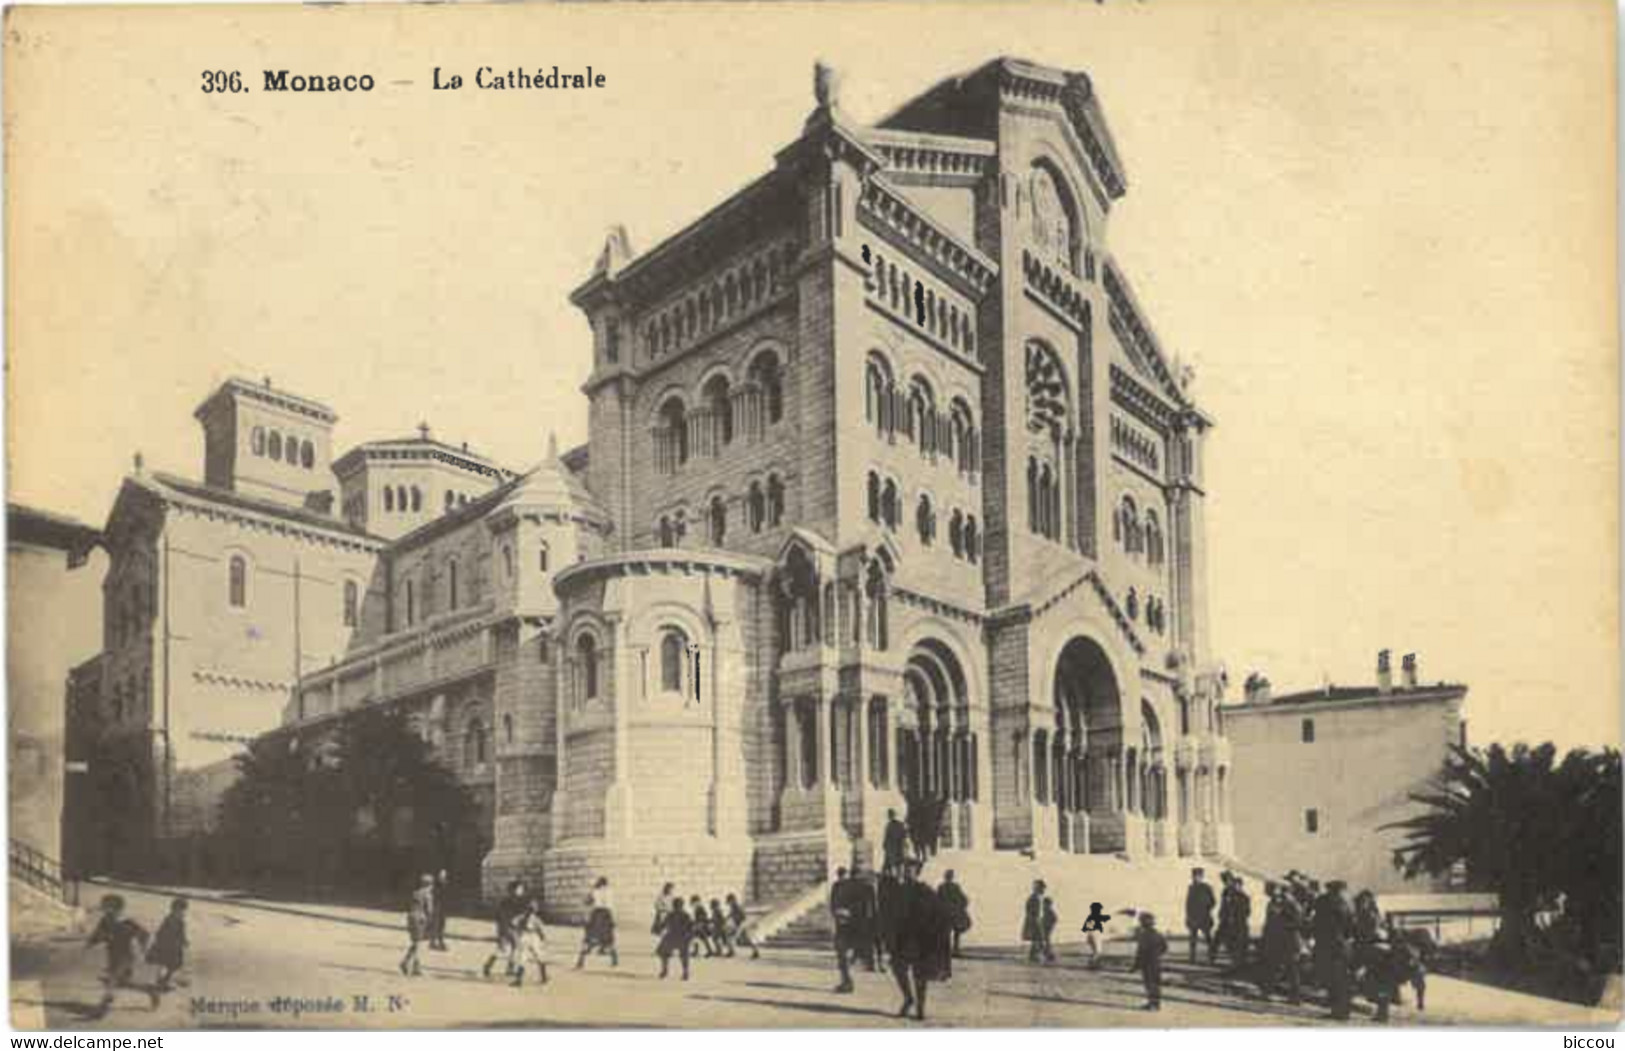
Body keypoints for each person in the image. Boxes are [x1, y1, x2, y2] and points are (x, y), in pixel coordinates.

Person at [887, 858, 947, 1021]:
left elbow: (938, 913)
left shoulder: (925, 890)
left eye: (911, 869)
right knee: (898, 969)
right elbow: (890, 915)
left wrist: (932, 932)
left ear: (917, 872)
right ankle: (908, 997)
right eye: (905, 869)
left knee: (920, 974)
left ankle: (920, 1007)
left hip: (921, 939)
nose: (907, 872)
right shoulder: (896, 890)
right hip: (902, 938)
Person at [87, 894, 152, 1014]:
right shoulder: (105, 920)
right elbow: (98, 934)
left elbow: (145, 934)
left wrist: (144, 949)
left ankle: (103, 1005)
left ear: (117, 908)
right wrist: (92, 942)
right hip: (113, 955)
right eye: (104, 906)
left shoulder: (128, 922)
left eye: (107, 906)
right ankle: (149, 991)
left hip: (126, 956)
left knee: (113, 979)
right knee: (123, 983)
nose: (104, 908)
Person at [1313, 880, 1356, 1021]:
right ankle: (1340, 1010)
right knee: (1339, 980)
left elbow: (1318, 923)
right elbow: (1350, 927)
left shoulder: (1330, 904)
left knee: (1337, 980)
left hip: (1332, 947)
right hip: (1340, 946)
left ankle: (1340, 1011)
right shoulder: (1346, 904)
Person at [831, 864, 876, 992]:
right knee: (846, 954)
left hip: (847, 925)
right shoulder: (867, 887)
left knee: (843, 954)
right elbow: (870, 910)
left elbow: (837, 906)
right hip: (858, 926)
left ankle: (847, 980)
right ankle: (847, 980)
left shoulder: (844, 886)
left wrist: (842, 914)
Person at [1259, 881, 1303, 1005]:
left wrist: (1282, 925)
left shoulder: (1293, 905)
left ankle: (1295, 997)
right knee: (1274, 967)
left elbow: (1299, 923)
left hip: (1289, 941)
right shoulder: (1275, 903)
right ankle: (1267, 993)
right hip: (1277, 941)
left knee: (1291, 970)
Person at [483, 880, 527, 979]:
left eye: (522, 889)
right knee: (514, 947)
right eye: (519, 889)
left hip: (509, 928)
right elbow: (503, 917)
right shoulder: (509, 902)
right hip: (508, 928)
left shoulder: (513, 901)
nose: (521, 891)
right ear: (513, 890)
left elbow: (520, 914)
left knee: (505, 949)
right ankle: (507, 968)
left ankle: (489, 965)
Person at [147, 898, 188, 994]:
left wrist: (184, 941)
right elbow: (161, 932)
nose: (181, 912)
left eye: (182, 910)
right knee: (165, 964)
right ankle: (161, 981)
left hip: (174, 947)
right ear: (173, 909)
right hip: (167, 946)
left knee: (172, 965)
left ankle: (164, 980)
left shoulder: (179, 921)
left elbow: (181, 933)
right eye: (179, 910)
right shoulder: (171, 920)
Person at [576, 876, 619, 969]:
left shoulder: (595, 892)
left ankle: (580, 961)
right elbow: (612, 907)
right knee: (608, 940)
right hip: (607, 916)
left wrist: (590, 892)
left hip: (597, 916)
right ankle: (614, 960)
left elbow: (586, 902)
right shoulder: (610, 892)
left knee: (589, 939)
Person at [1131, 912, 1169, 1011]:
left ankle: (1152, 1004)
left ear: (1143, 923)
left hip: (1147, 964)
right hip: (1157, 963)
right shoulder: (1159, 934)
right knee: (1156, 984)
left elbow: (1140, 952)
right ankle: (1156, 1004)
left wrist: (1135, 966)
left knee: (1149, 984)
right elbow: (1165, 948)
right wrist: (1157, 955)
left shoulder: (1143, 936)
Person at [401, 873, 435, 977]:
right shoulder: (428, 895)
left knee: (415, 943)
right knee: (418, 944)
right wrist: (431, 922)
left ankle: (415, 966)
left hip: (411, 916)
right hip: (420, 918)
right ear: (430, 885)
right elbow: (429, 910)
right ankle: (406, 963)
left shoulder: (415, 893)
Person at [511, 899, 549, 988]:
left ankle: (519, 980)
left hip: (524, 936)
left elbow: (513, 924)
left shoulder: (521, 917)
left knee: (522, 958)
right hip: (533, 937)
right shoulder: (536, 919)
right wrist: (543, 939)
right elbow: (540, 930)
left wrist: (516, 934)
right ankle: (544, 977)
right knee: (539, 956)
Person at [1184, 867, 1217, 964]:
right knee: (1193, 940)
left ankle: (1211, 957)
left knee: (1208, 938)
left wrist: (1206, 909)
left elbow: (1213, 901)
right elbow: (1188, 903)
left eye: (1197, 876)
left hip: (1204, 917)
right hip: (1193, 917)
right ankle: (1192, 958)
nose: (1195, 878)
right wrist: (1188, 916)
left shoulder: (1207, 887)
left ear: (1201, 877)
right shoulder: (1191, 887)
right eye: (1194, 876)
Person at [937, 870, 971, 962]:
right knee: (951, 933)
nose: (949, 877)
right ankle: (952, 951)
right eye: (949, 876)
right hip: (950, 914)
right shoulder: (946, 887)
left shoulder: (945, 887)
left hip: (950, 914)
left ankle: (953, 951)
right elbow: (964, 899)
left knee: (952, 933)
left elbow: (963, 899)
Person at [656, 897, 693, 980]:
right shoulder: (676, 915)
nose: (676, 907)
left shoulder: (684, 915)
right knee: (664, 953)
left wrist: (689, 937)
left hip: (678, 937)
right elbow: (663, 924)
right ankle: (666, 970)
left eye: (677, 905)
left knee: (682, 955)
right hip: (675, 937)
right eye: (676, 905)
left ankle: (684, 972)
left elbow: (690, 927)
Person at [726, 893, 761, 960]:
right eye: (729, 902)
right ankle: (732, 951)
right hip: (738, 925)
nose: (729, 903)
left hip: (742, 925)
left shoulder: (737, 907)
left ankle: (755, 952)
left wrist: (739, 925)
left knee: (743, 938)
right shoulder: (733, 907)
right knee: (732, 937)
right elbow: (730, 914)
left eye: (729, 901)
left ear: (733, 900)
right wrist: (727, 918)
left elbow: (743, 917)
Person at [1022, 879, 1047, 962]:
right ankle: (1035, 956)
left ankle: (1033, 956)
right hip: (1033, 922)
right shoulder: (1034, 899)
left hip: (1033, 921)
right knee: (1038, 940)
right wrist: (1037, 922)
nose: (1043, 890)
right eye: (1042, 888)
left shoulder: (1035, 898)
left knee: (1036, 940)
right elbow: (1031, 912)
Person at [1080, 902, 1109, 970]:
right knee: (1097, 951)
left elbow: (1085, 928)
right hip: (1095, 935)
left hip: (1091, 935)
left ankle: (1093, 964)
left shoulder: (1090, 917)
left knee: (1095, 951)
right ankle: (1093, 964)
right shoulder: (1094, 917)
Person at [429, 869, 450, 951]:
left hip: (443, 907)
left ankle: (440, 941)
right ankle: (433, 942)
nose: (443, 877)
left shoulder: (446, 884)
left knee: (442, 925)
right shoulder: (435, 886)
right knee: (435, 925)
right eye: (441, 875)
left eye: (444, 875)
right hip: (436, 907)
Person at [882, 809, 908, 877]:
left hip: (893, 849)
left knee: (894, 866)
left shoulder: (889, 826)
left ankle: (896, 879)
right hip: (899, 848)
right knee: (900, 864)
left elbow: (886, 838)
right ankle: (900, 878)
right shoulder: (900, 824)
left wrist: (885, 845)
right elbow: (905, 835)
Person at [1041, 897, 1059, 964]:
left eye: (1046, 904)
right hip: (1044, 928)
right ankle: (1048, 955)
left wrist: (1050, 925)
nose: (1044, 905)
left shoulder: (1050, 911)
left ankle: (1049, 955)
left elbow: (1055, 919)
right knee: (1045, 941)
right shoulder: (1045, 910)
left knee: (1046, 941)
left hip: (1047, 928)